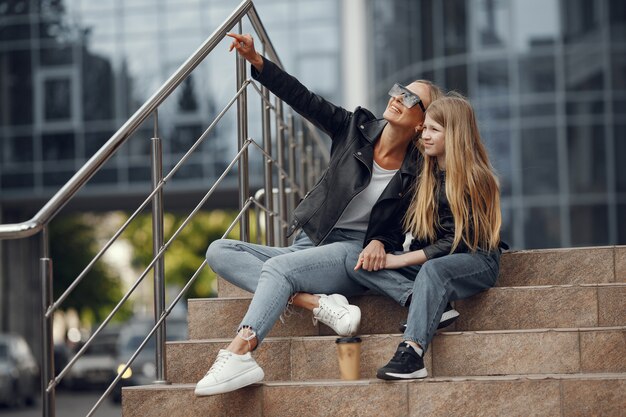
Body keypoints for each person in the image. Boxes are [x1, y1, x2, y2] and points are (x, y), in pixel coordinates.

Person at [194, 32, 442, 396]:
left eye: (411, 98)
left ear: (422, 123)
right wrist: (258, 61)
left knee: (277, 270)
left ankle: (241, 351)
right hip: (311, 243)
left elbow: (415, 228)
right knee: (219, 251)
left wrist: (378, 243)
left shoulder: (421, 170)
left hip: (354, 255)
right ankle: (318, 303)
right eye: (399, 90)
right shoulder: (354, 128)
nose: (398, 98)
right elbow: (305, 101)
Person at [346, 94, 505, 380]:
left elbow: (458, 240)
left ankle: (412, 353)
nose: (424, 135)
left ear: (454, 134)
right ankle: (434, 305)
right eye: (424, 128)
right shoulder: (424, 174)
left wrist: (400, 261)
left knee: (433, 270)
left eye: (434, 130)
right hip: (432, 264)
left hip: (475, 258)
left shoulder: (477, 177)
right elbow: (410, 229)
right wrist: (379, 245)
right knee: (355, 260)